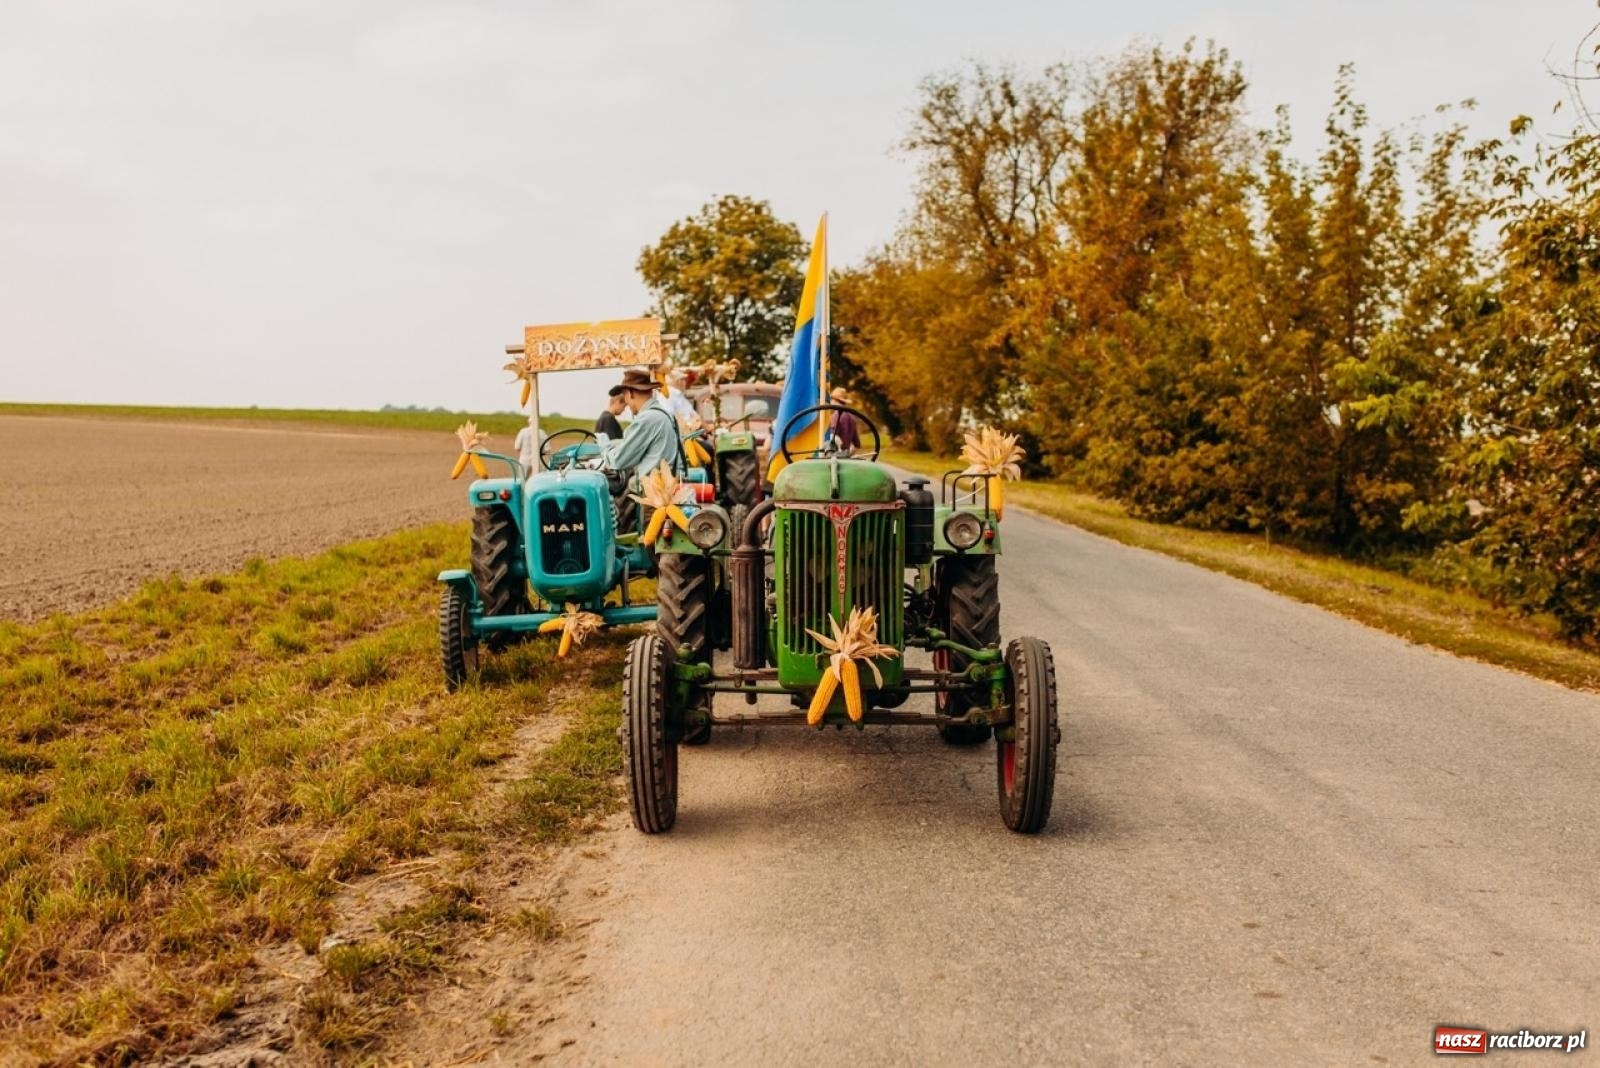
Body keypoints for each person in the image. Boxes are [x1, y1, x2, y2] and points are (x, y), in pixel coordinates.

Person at [604, 369, 685, 481]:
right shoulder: (664, 414)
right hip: (668, 481)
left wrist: (605, 451)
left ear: (630, 393)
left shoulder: (647, 419)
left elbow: (618, 461)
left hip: (654, 487)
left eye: (624, 395)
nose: (626, 402)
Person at [830, 387, 860, 457]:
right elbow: (857, 443)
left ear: (835, 400)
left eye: (831, 399)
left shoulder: (836, 415)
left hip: (836, 455)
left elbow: (832, 437)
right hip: (847, 455)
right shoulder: (852, 417)